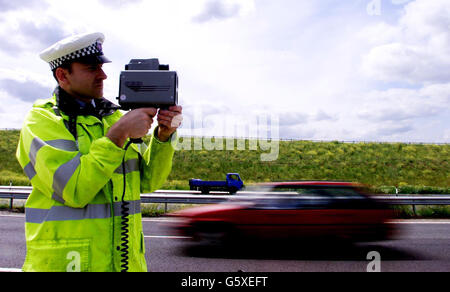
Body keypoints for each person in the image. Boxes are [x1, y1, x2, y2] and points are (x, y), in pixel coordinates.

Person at [15, 32, 182, 272]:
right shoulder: (41, 121)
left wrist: (163, 137)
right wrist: (117, 135)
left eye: (102, 67)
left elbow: (146, 182)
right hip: (68, 264)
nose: (103, 75)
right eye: (92, 68)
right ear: (63, 75)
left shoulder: (113, 118)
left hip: (124, 264)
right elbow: (74, 189)